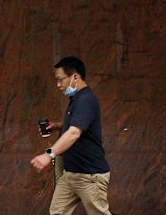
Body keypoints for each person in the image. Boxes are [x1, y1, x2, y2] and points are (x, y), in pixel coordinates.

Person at [30, 56, 112, 215]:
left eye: (60, 80)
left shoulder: (86, 100)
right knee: (57, 212)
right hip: (71, 175)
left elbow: (74, 133)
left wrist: (49, 154)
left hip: (89, 176)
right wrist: (57, 126)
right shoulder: (76, 99)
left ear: (75, 77)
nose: (58, 85)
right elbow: (78, 126)